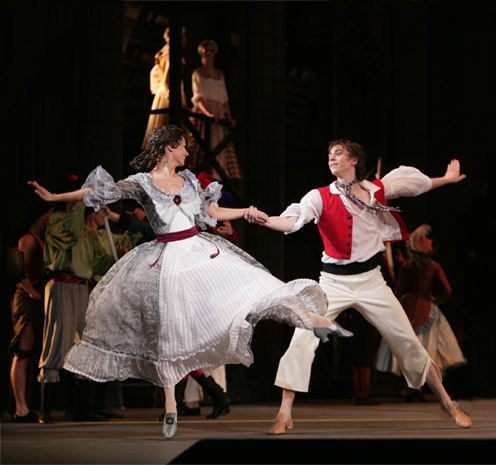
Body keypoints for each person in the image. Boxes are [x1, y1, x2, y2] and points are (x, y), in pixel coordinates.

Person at [28, 125, 351, 439]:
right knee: (169, 335)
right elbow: (97, 192)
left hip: (200, 251)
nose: (187, 150)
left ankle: (317, 321)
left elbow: (211, 211)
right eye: (183, 145)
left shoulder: (189, 180)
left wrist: (245, 212)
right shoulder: (143, 182)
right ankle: (171, 407)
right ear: (170, 147)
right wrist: (56, 195)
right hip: (168, 262)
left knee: (255, 288)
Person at [245, 139, 472, 431]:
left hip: (371, 281)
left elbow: (412, 185)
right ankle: (284, 413)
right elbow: (292, 221)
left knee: (407, 339)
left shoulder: (375, 190)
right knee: (303, 338)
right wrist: (266, 220)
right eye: (329, 154)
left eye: (338, 153)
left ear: (354, 161)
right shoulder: (319, 196)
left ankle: (447, 403)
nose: (331, 157)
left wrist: (447, 179)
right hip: (332, 283)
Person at [35, 176, 134, 424]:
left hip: (82, 290)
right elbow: (68, 231)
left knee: (86, 345)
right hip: (61, 286)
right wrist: (81, 200)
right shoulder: (58, 221)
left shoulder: (88, 231)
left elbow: (101, 259)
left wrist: (129, 241)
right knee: (56, 342)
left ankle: (81, 409)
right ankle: (45, 409)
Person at [375, 224, 467, 402]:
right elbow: (447, 290)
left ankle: (411, 387)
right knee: (425, 349)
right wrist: (436, 300)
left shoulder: (408, 266)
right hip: (427, 306)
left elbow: (398, 291)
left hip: (408, 307)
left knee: (409, 347)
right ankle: (421, 387)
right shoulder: (433, 267)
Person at [8, 201, 53, 422]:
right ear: (42, 216)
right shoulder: (28, 240)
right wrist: (31, 292)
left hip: (33, 299)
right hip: (26, 299)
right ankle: (20, 408)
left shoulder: (37, 239)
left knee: (29, 350)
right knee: (23, 351)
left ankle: (23, 405)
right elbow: (17, 267)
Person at [186, 40, 241, 179]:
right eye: (206, 50)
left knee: (219, 145)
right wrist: (208, 113)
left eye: (211, 50)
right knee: (201, 144)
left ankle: (218, 178)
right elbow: (198, 96)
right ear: (201, 53)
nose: (208, 53)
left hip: (218, 110)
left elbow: (224, 98)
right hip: (204, 109)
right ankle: (200, 177)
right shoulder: (198, 73)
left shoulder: (219, 74)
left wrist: (229, 116)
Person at [141, 27, 190, 150]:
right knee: (169, 129)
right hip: (169, 95)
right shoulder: (172, 56)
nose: (186, 39)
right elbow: (169, 79)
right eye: (184, 36)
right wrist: (172, 97)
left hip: (162, 94)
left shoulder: (163, 54)